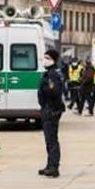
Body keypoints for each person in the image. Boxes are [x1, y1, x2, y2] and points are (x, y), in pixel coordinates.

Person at [37, 49, 64, 177]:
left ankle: (54, 167)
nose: (44, 60)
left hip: (51, 110)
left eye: (47, 57)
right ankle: (50, 164)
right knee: (49, 139)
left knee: (52, 139)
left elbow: (54, 92)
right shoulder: (49, 73)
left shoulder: (52, 74)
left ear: (53, 59)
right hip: (48, 109)